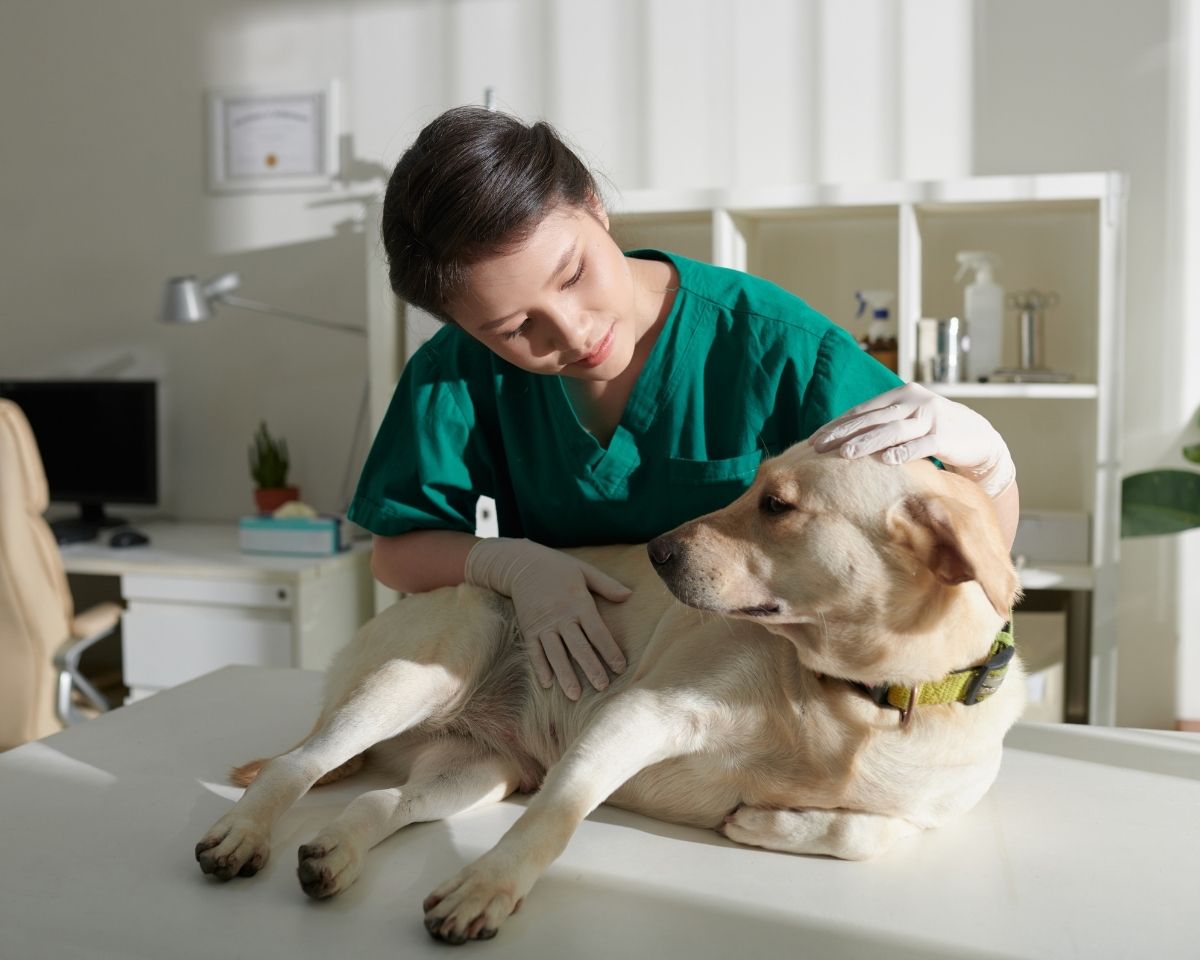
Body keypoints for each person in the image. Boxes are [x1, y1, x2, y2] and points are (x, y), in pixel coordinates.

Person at [348, 105, 1019, 701]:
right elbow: (397, 552)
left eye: (575, 273)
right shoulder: (457, 373)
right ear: (464, 331)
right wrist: (511, 564)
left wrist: (989, 467)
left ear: (593, 203)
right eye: (516, 329)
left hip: (753, 701)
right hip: (571, 694)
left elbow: (962, 564)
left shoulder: (776, 346)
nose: (573, 331)